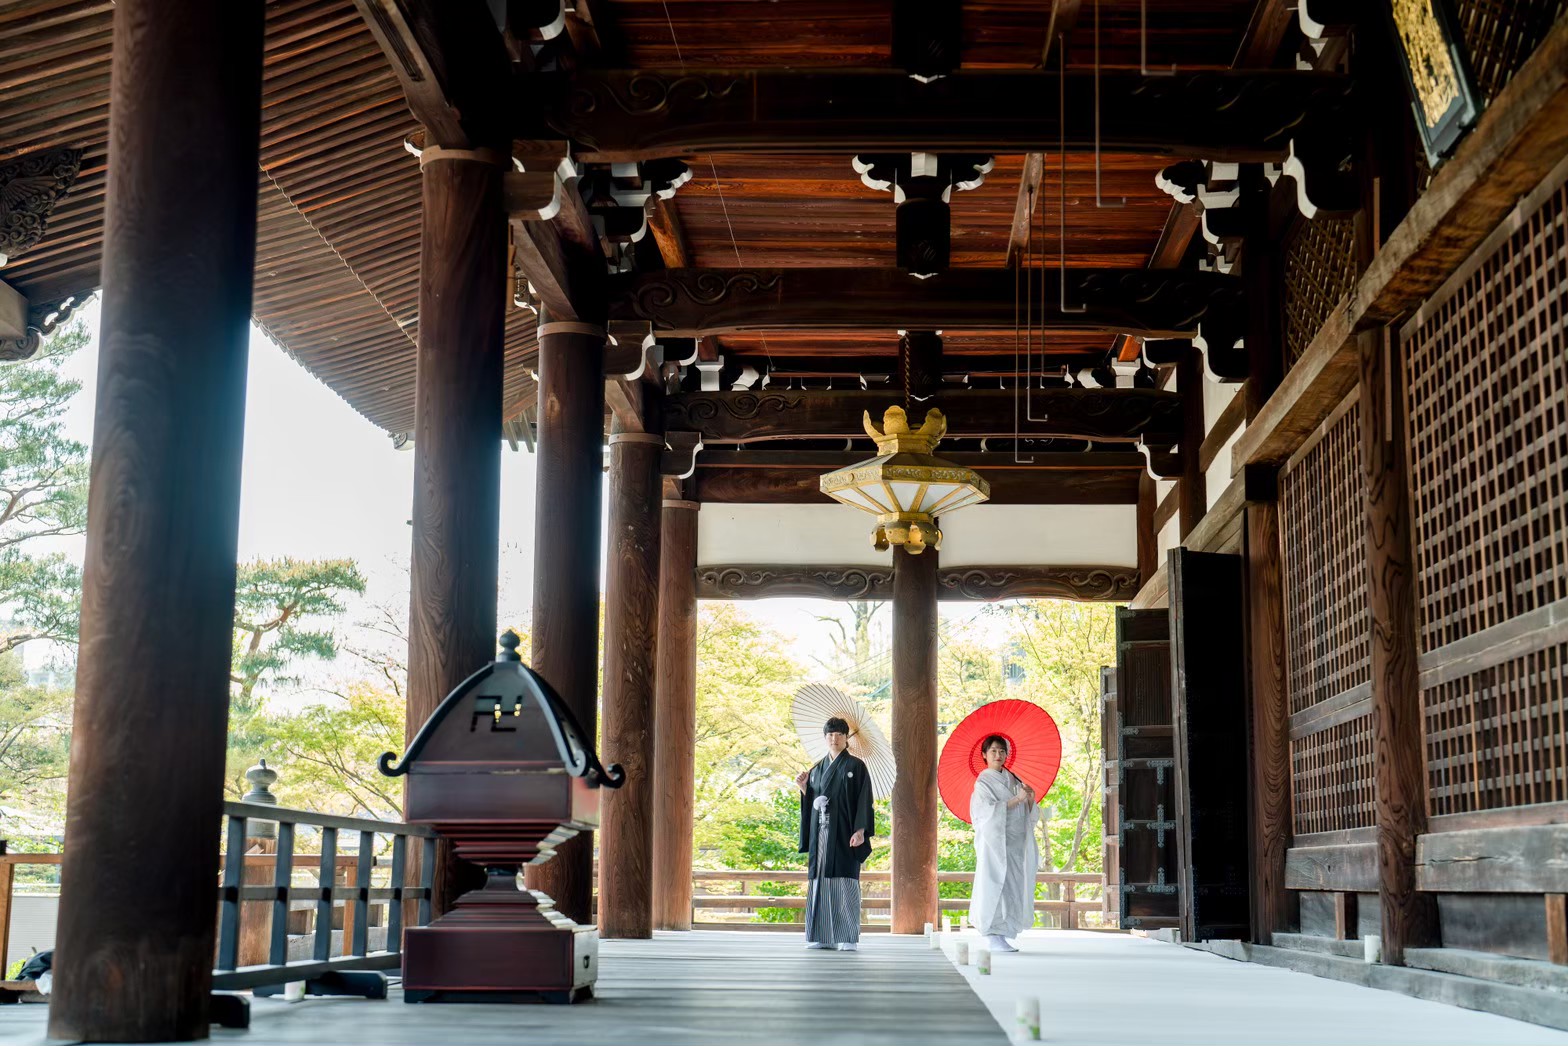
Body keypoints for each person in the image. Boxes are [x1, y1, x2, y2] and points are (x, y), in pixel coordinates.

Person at [796, 717, 875, 951]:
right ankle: (822, 936)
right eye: (830, 735)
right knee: (820, 882)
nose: (834, 738)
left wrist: (860, 830)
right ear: (825, 738)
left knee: (845, 881)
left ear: (846, 738)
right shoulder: (817, 769)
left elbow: (864, 799)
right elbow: (813, 799)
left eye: (839, 734)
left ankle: (848, 937)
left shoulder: (856, 766)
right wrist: (804, 789)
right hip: (821, 833)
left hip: (844, 833)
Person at [968, 734, 1038, 953]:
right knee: (994, 883)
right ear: (984, 755)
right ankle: (992, 933)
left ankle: (1005, 931)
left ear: (1007, 754)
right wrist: (1016, 800)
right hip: (995, 844)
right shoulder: (983, 782)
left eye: (1002, 751)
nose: (998, 755)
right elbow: (984, 813)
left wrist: (1029, 799)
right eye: (993, 751)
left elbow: (1027, 813)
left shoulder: (1013, 778)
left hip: (1015, 843)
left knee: (1013, 885)